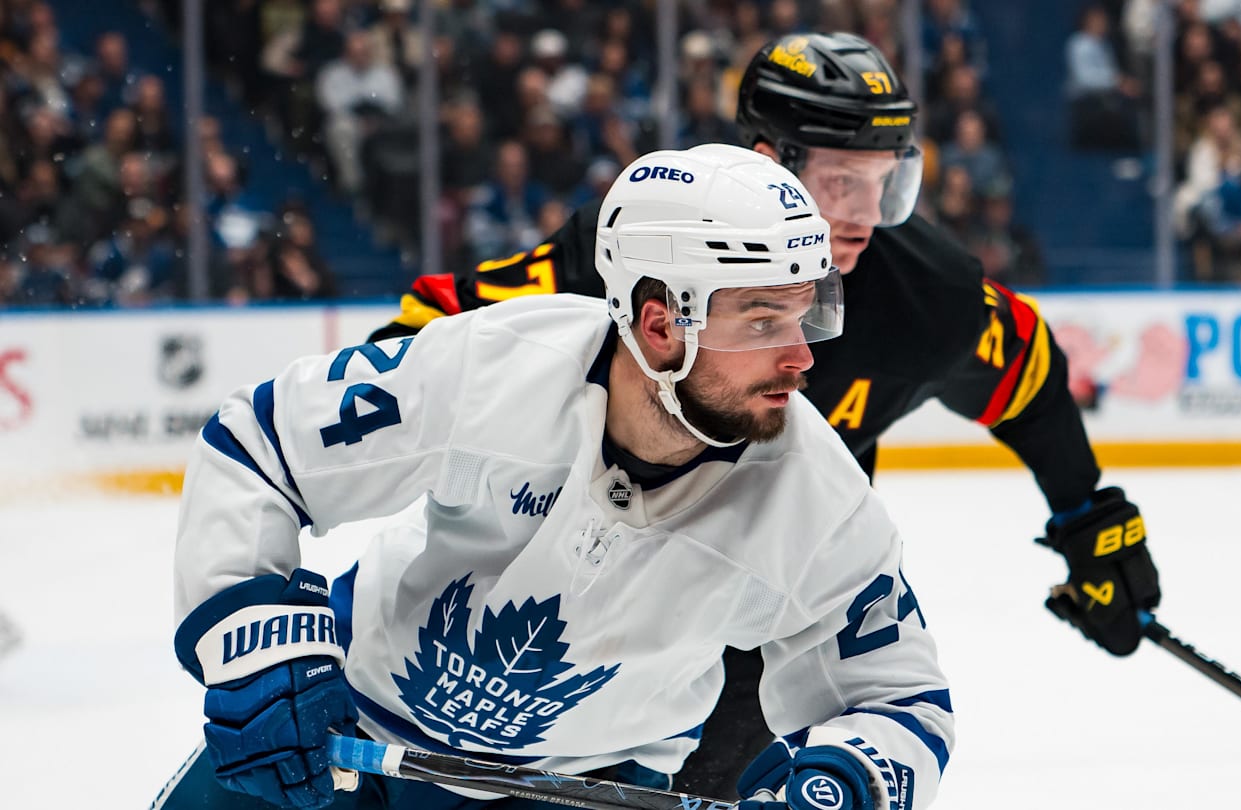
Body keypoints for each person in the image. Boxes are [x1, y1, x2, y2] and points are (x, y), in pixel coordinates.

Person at [369, 32, 1161, 799]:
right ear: (768, 162)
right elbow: (440, 322)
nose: (863, 214)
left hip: (783, 590)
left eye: (885, 182)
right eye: (840, 181)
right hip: (608, 582)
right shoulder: (657, 239)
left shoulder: (926, 291)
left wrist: (1086, 514)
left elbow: (1026, 369)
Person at [153, 144, 953, 810]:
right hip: (342, 744)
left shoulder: (820, 501)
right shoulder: (496, 366)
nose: (804, 355)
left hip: (583, 794)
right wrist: (255, 643)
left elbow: (900, 698)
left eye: (805, 312)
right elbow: (263, 441)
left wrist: (845, 781)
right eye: (763, 320)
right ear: (661, 322)